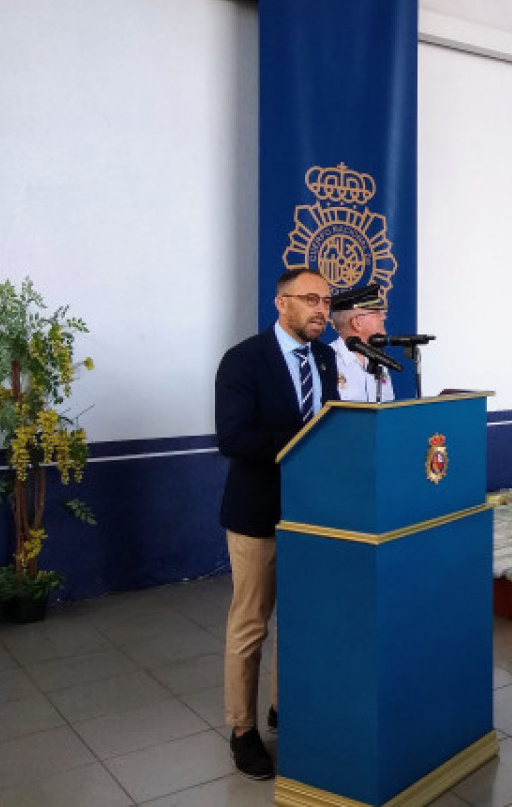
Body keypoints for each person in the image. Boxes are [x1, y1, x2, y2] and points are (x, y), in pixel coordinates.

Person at [214, 267, 340, 779]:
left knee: (302, 620)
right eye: (310, 299)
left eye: (327, 301)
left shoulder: (326, 358)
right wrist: (303, 442)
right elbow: (233, 438)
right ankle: (243, 730)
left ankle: (282, 708)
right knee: (251, 625)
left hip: (313, 516)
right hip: (258, 514)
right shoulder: (243, 360)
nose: (321, 309)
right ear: (281, 303)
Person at [329, 284, 395, 403]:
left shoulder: (378, 358)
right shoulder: (328, 360)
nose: (383, 317)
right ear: (357, 322)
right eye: (376, 312)